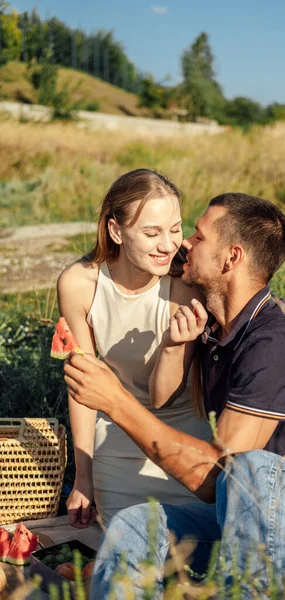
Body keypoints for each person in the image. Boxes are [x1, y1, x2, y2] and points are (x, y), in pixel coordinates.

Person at [64, 193, 285, 598]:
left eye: (198, 236)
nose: (184, 244)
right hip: (248, 525)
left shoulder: (277, 338)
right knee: (134, 526)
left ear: (231, 259)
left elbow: (222, 479)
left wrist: (117, 402)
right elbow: (161, 394)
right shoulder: (213, 328)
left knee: (252, 470)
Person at [57, 168, 210, 528]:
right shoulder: (78, 284)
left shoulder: (183, 285)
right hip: (117, 437)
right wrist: (83, 477)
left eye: (175, 229)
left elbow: (164, 399)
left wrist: (173, 345)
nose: (169, 245)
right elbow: (83, 386)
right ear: (116, 231)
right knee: (126, 544)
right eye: (152, 232)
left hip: (184, 440)